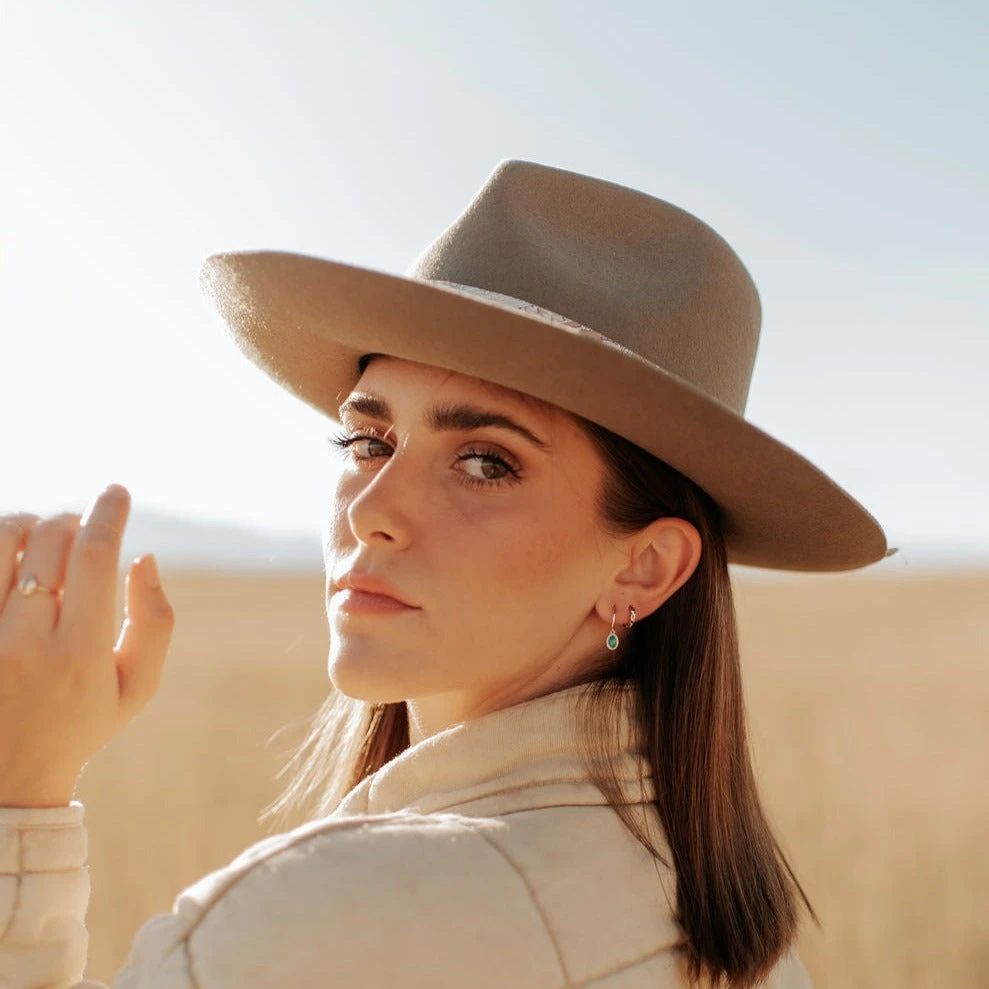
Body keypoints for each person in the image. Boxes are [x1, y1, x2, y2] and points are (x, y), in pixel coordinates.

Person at [0, 159, 895, 989]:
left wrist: (19, 790)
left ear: (645, 566)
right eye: (367, 439)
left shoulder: (306, 924)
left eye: (485, 462)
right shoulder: (743, 940)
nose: (370, 508)